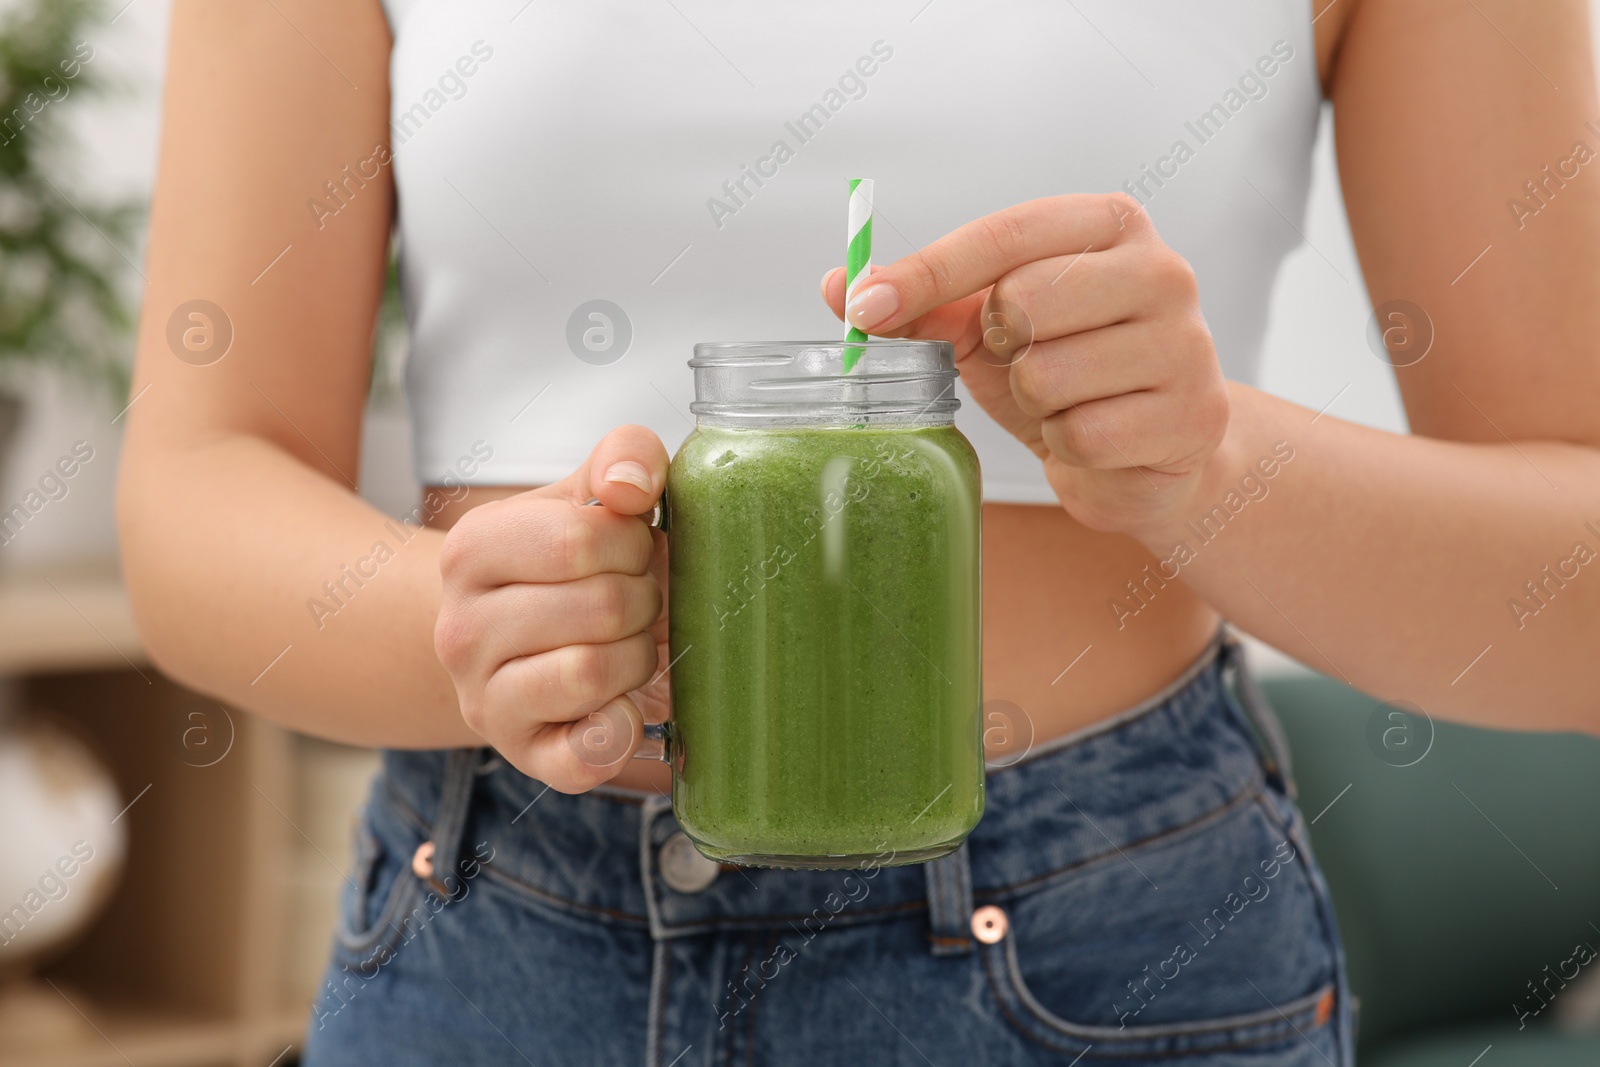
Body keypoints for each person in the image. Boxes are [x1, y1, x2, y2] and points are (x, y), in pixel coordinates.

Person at [118, 1, 1600, 1063]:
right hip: (493, 942)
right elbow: (196, 488)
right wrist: (458, 624)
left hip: (1108, 953)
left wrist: (1216, 464)